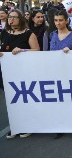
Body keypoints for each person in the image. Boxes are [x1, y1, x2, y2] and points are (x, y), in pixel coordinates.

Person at [1, 9, 40, 139]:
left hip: (24, 72)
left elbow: (36, 50)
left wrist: (23, 50)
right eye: (9, 17)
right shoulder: (3, 33)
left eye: (14, 17)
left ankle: (28, 124)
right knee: (11, 101)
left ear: (20, 19)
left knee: (24, 98)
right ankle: (15, 126)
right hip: (7, 73)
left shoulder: (28, 34)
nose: (11, 19)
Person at [48, 10, 72, 139]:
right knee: (58, 100)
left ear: (66, 21)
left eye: (61, 20)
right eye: (56, 20)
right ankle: (61, 126)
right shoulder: (51, 35)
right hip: (55, 73)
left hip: (71, 73)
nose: (58, 23)